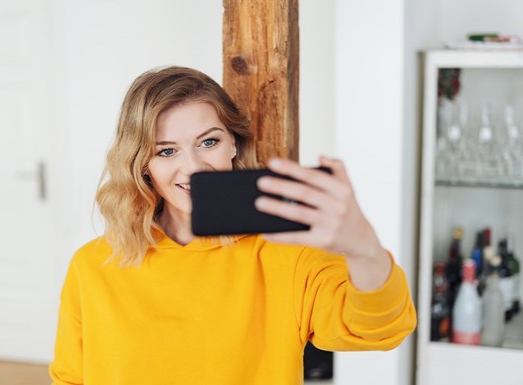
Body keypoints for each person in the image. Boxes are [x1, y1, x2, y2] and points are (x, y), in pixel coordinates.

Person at [49, 66, 416, 385]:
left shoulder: (285, 253)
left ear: (233, 145)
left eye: (208, 142)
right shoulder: (93, 264)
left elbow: (378, 330)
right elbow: (71, 377)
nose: (192, 167)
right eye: (166, 150)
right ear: (141, 163)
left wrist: (363, 247)